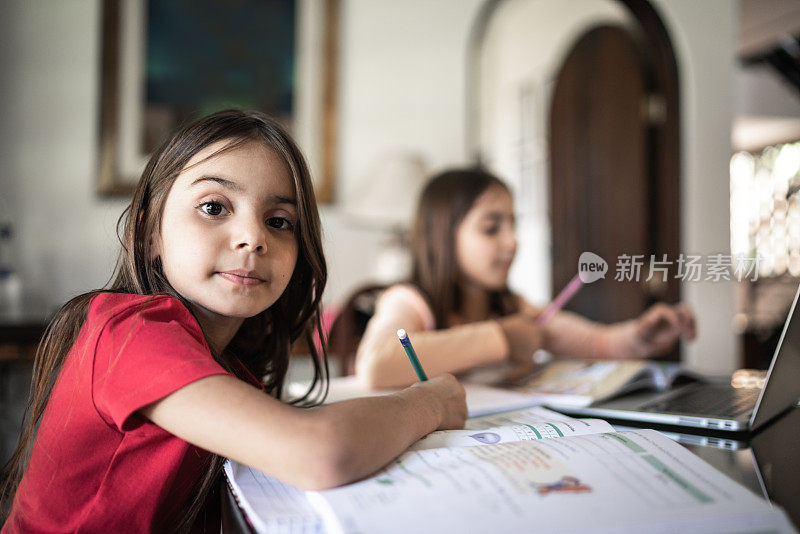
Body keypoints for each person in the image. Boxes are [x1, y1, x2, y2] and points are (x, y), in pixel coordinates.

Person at [0, 110, 466, 533]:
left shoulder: (230, 365)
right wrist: (428, 403)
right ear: (148, 234)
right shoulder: (129, 333)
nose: (252, 237)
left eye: (279, 221)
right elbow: (319, 452)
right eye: (214, 207)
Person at [356, 168, 696, 388]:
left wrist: (641, 336)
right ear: (442, 237)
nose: (512, 241)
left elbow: (597, 343)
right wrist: (502, 337)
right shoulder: (410, 302)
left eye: (512, 225)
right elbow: (377, 365)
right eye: (492, 228)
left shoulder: (511, 307)